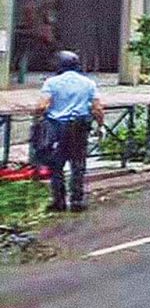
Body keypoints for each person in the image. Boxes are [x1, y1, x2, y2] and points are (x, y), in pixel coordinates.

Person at [35, 50, 104, 212]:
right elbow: (98, 108)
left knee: (57, 165)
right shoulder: (88, 83)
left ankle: (58, 201)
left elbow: (41, 106)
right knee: (78, 164)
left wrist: (40, 119)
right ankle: (77, 200)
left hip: (57, 127)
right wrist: (100, 126)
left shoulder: (52, 83)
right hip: (79, 127)